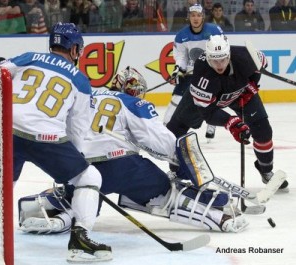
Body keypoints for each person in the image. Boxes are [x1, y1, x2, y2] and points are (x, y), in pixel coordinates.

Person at [17, 66, 248, 236]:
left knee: (85, 201)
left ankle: (57, 220)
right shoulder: (132, 103)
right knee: (167, 195)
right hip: (124, 167)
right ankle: (222, 218)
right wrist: (182, 164)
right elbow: (161, 140)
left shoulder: (84, 94)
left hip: (79, 167)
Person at [0, 22, 112, 262]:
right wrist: (75, 165)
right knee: (90, 177)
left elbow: (0, 75)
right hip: (46, 138)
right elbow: (77, 130)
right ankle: (80, 242)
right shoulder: (80, 80)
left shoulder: (28, 57)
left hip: (6, 129)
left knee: (1, 187)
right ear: (74, 49)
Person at [166, 34, 289, 191]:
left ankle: (266, 171)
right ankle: (176, 171)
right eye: (215, 60)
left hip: (239, 92)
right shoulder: (202, 73)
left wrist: (252, 86)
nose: (219, 65)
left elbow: (259, 68)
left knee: (263, 130)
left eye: (223, 59)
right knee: (175, 130)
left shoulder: (246, 56)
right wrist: (232, 123)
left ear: (229, 55)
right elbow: (208, 113)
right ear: (208, 57)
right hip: (207, 98)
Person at [163, 3, 223, 142]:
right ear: (188, 17)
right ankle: (166, 127)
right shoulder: (181, 36)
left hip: (210, 71)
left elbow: (221, 50)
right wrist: (178, 69)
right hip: (190, 73)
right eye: (193, 15)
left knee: (211, 98)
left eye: (198, 15)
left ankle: (211, 123)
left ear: (203, 17)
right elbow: (181, 56)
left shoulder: (214, 31)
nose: (195, 18)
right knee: (177, 98)